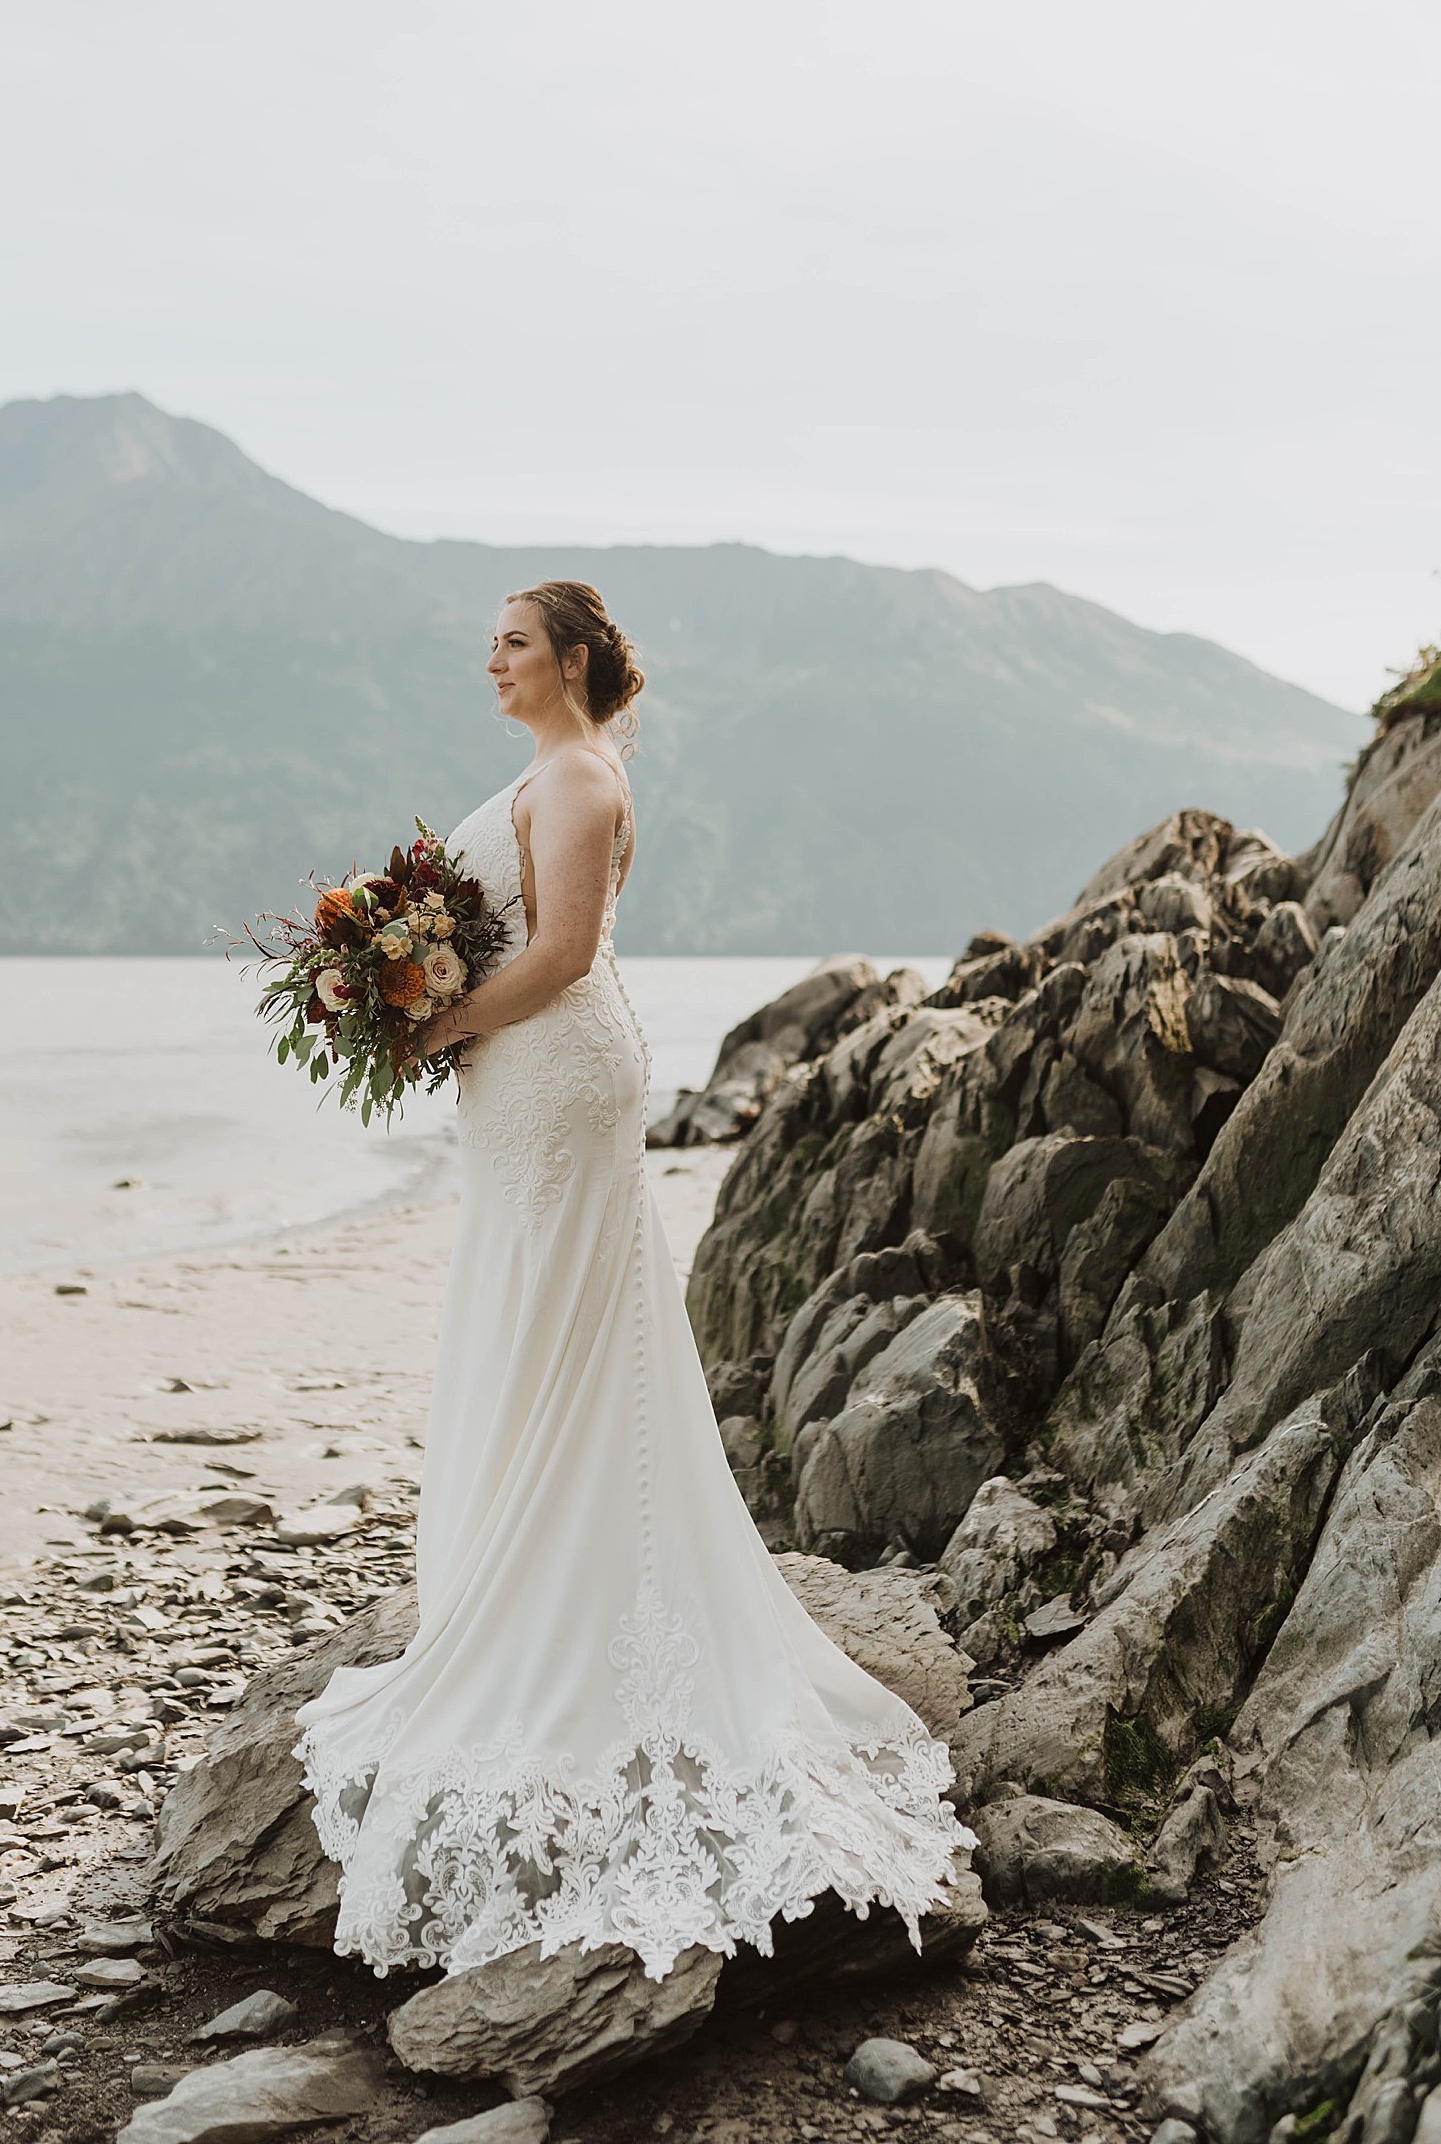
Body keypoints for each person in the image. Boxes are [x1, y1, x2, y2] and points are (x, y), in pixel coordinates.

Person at [291, 578, 977, 1984]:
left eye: (517, 642)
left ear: (580, 660)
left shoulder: (587, 776)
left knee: (563, 1330)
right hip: (522, 1081)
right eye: (490, 640)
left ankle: (575, 1605)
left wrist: (433, 1020)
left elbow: (560, 955)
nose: (494, 657)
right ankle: (515, 1562)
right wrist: (418, 997)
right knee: (531, 1318)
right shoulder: (551, 767)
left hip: (556, 1072)